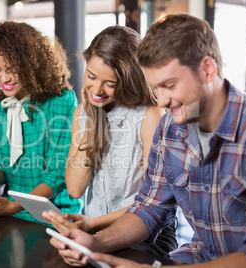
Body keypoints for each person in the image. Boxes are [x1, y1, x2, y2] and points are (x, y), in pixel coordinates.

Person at [49, 14, 246, 268]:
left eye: (169, 85)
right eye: (156, 88)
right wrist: (95, 243)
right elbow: (149, 207)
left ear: (207, 70)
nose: (161, 101)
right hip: (198, 257)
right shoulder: (170, 128)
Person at [42, 25, 176, 257]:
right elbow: (75, 189)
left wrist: (94, 226)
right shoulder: (81, 113)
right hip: (93, 231)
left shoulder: (150, 114)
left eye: (110, 84)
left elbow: (153, 202)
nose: (97, 89)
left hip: (145, 234)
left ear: (129, 80)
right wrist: (90, 122)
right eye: (91, 76)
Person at [0, 21, 82, 222]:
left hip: (57, 216)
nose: (4, 78)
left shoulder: (61, 100)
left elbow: (58, 175)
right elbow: (2, 171)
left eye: (12, 69)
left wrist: (14, 206)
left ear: (32, 65)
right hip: (12, 213)